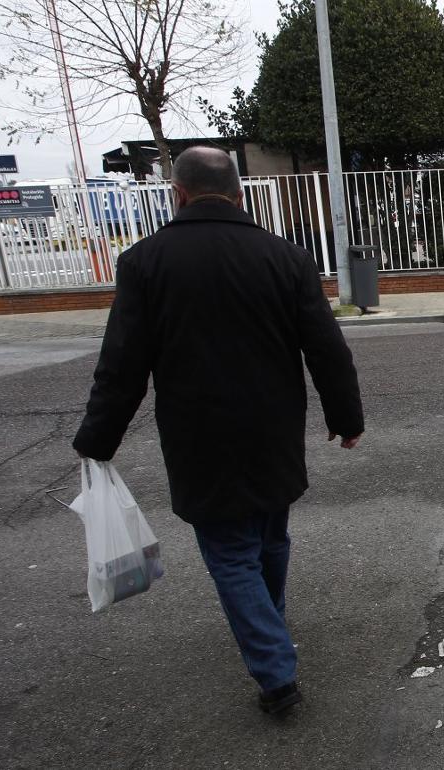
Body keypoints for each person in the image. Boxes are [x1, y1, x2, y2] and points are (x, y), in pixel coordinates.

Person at [73, 146, 364, 715]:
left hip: (198, 434)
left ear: (177, 193)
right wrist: (345, 419)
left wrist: (97, 441)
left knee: (231, 553)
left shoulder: (145, 263)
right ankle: (268, 625)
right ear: (237, 193)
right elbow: (327, 349)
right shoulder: (286, 258)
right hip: (272, 428)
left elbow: (122, 365)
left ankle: (276, 673)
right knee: (270, 536)